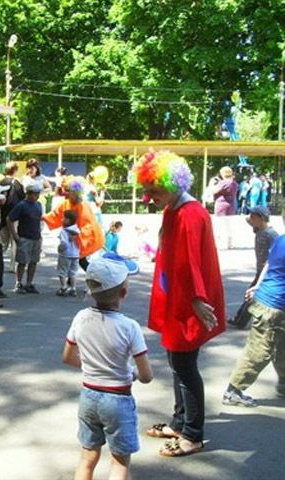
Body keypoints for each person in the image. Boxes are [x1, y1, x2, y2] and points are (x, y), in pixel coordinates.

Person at [133, 150, 225, 457]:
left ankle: (193, 434)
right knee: (177, 363)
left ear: (173, 184)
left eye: (154, 190)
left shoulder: (189, 213)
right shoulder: (176, 209)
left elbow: (192, 263)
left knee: (184, 366)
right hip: (180, 299)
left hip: (188, 303)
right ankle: (181, 420)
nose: (149, 197)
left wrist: (199, 300)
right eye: (147, 190)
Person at [62, 256, 153, 480]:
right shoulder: (129, 327)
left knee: (87, 456)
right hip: (118, 399)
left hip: (89, 396)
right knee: (120, 463)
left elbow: (68, 357)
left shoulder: (81, 317)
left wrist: (92, 368)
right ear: (124, 293)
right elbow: (146, 376)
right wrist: (132, 373)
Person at [222, 232, 285, 407]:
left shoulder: (281, 239)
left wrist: (257, 285)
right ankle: (233, 391)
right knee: (259, 350)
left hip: (272, 302)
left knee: (282, 348)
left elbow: (268, 263)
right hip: (273, 306)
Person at [228, 205, 279, 329]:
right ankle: (241, 319)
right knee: (253, 295)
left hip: (266, 271)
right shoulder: (259, 230)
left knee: (251, 295)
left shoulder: (270, 234)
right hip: (260, 270)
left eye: (253, 216)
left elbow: (276, 253)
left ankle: (240, 320)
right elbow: (248, 220)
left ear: (261, 218)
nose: (250, 219)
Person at [43, 177, 105, 271]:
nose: (64, 193)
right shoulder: (66, 202)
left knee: (78, 260)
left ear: (74, 192)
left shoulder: (82, 205)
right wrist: (43, 217)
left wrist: (78, 235)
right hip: (72, 237)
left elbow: (88, 225)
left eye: (67, 191)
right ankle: (73, 281)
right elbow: (55, 214)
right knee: (75, 260)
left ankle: (93, 278)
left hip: (81, 237)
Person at [7, 183, 43, 294]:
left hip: (36, 237)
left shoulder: (38, 205)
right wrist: (15, 235)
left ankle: (29, 283)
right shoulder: (21, 205)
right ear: (28, 194)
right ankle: (19, 282)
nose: (37, 196)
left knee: (34, 261)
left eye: (38, 194)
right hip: (25, 237)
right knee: (22, 261)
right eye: (35, 194)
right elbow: (9, 219)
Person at [0, 162, 25, 273]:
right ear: (15, 171)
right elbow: (22, 198)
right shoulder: (17, 183)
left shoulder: (1, 182)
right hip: (14, 215)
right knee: (14, 240)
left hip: (3, 214)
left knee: (3, 240)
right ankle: (12, 265)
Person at [212, 166, 239, 250]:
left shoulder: (223, 183)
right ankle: (230, 243)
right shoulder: (234, 183)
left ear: (223, 173)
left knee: (219, 226)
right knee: (229, 226)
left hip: (221, 205)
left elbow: (214, 191)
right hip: (231, 205)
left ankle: (219, 244)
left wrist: (213, 184)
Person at [56, 210, 80, 297]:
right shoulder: (77, 230)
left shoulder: (64, 231)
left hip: (66, 254)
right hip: (76, 254)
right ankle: (73, 288)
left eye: (63, 218)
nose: (62, 219)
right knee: (73, 272)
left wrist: (60, 248)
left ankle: (64, 287)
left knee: (62, 271)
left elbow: (64, 243)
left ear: (68, 220)